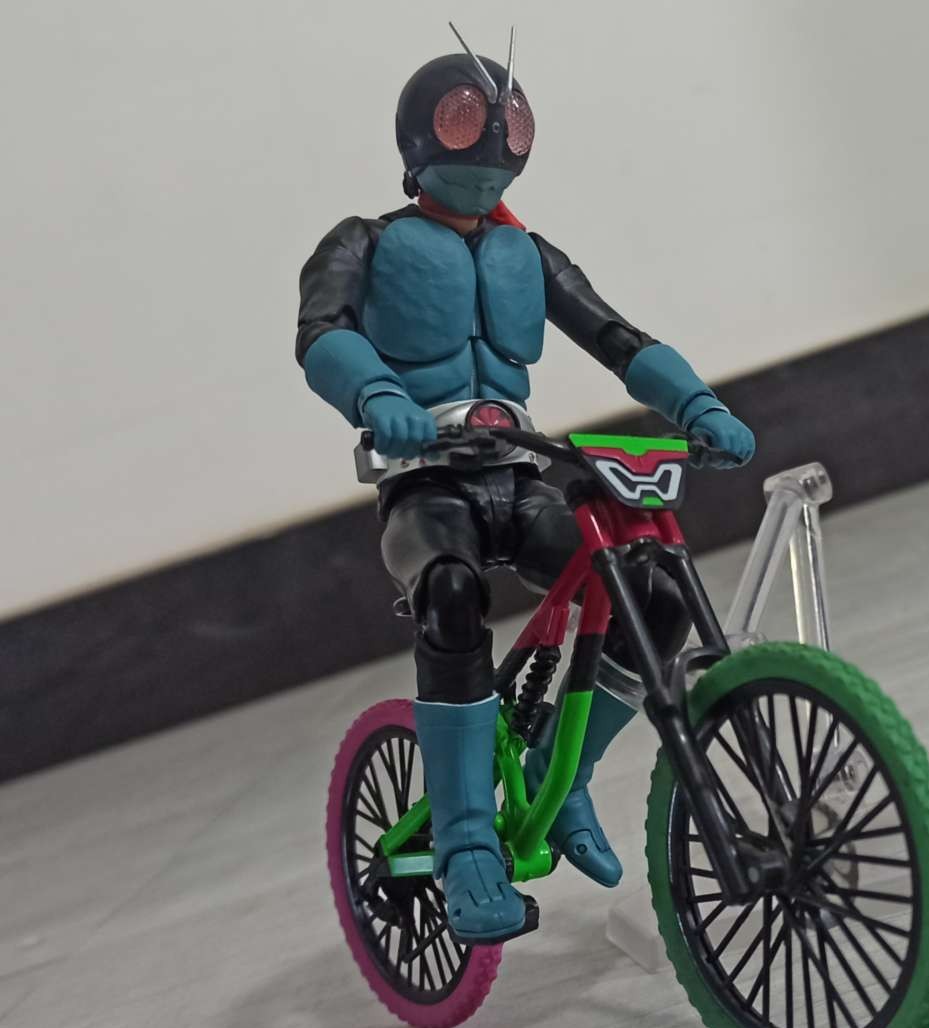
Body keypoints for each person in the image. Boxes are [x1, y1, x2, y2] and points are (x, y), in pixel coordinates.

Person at [296, 28, 755, 942]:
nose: (491, 142)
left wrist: (695, 402)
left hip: (517, 471)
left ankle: (560, 771)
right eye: (466, 120)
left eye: (507, 124)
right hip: (425, 484)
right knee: (449, 592)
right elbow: (321, 333)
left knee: (653, 597)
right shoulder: (364, 242)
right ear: (421, 135)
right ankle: (467, 842)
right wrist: (378, 393)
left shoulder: (527, 255)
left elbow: (616, 336)